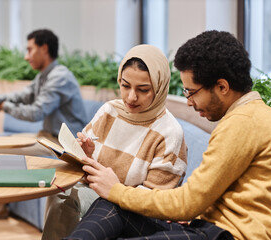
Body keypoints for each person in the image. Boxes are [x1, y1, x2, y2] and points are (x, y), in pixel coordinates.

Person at [65, 30, 271, 240]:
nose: (188, 101)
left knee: (114, 199)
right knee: (111, 204)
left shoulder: (243, 123)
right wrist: (114, 192)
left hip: (229, 235)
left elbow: (188, 203)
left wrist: (116, 190)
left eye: (191, 92)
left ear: (222, 87)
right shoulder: (250, 115)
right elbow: (208, 195)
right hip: (208, 226)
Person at [42, 44, 188, 239]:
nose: (131, 97)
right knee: (61, 191)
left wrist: (114, 189)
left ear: (160, 88)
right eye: (125, 85)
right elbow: (84, 171)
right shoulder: (109, 111)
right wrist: (86, 155)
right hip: (98, 193)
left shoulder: (169, 133)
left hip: (134, 212)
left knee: (70, 197)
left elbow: (155, 200)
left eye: (143, 90)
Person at [0, 29, 87, 155]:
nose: (26, 57)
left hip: (62, 144)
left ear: (44, 48)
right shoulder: (44, 76)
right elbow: (23, 96)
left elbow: (36, 113)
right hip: (46, 136)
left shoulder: (60, 77)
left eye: (29, 50)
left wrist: (0, 104)